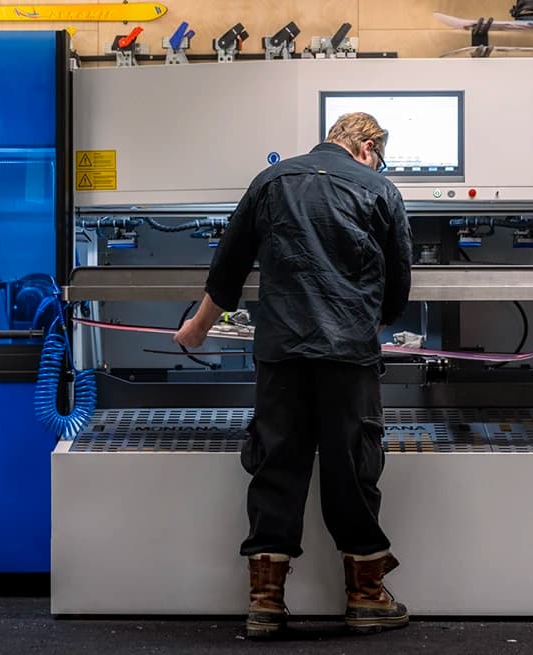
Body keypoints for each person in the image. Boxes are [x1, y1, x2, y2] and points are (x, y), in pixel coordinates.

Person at [173, 112, 413, 639]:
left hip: (281, 354)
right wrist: (365, 322)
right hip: (349, 359)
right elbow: (397, 289)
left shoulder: (270, 181)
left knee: (276, 466)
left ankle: (265, 602)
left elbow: (228, 267)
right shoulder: (380, 188)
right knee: (352, 468)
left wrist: (195, 330)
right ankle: (366, 597)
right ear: (369, 147)